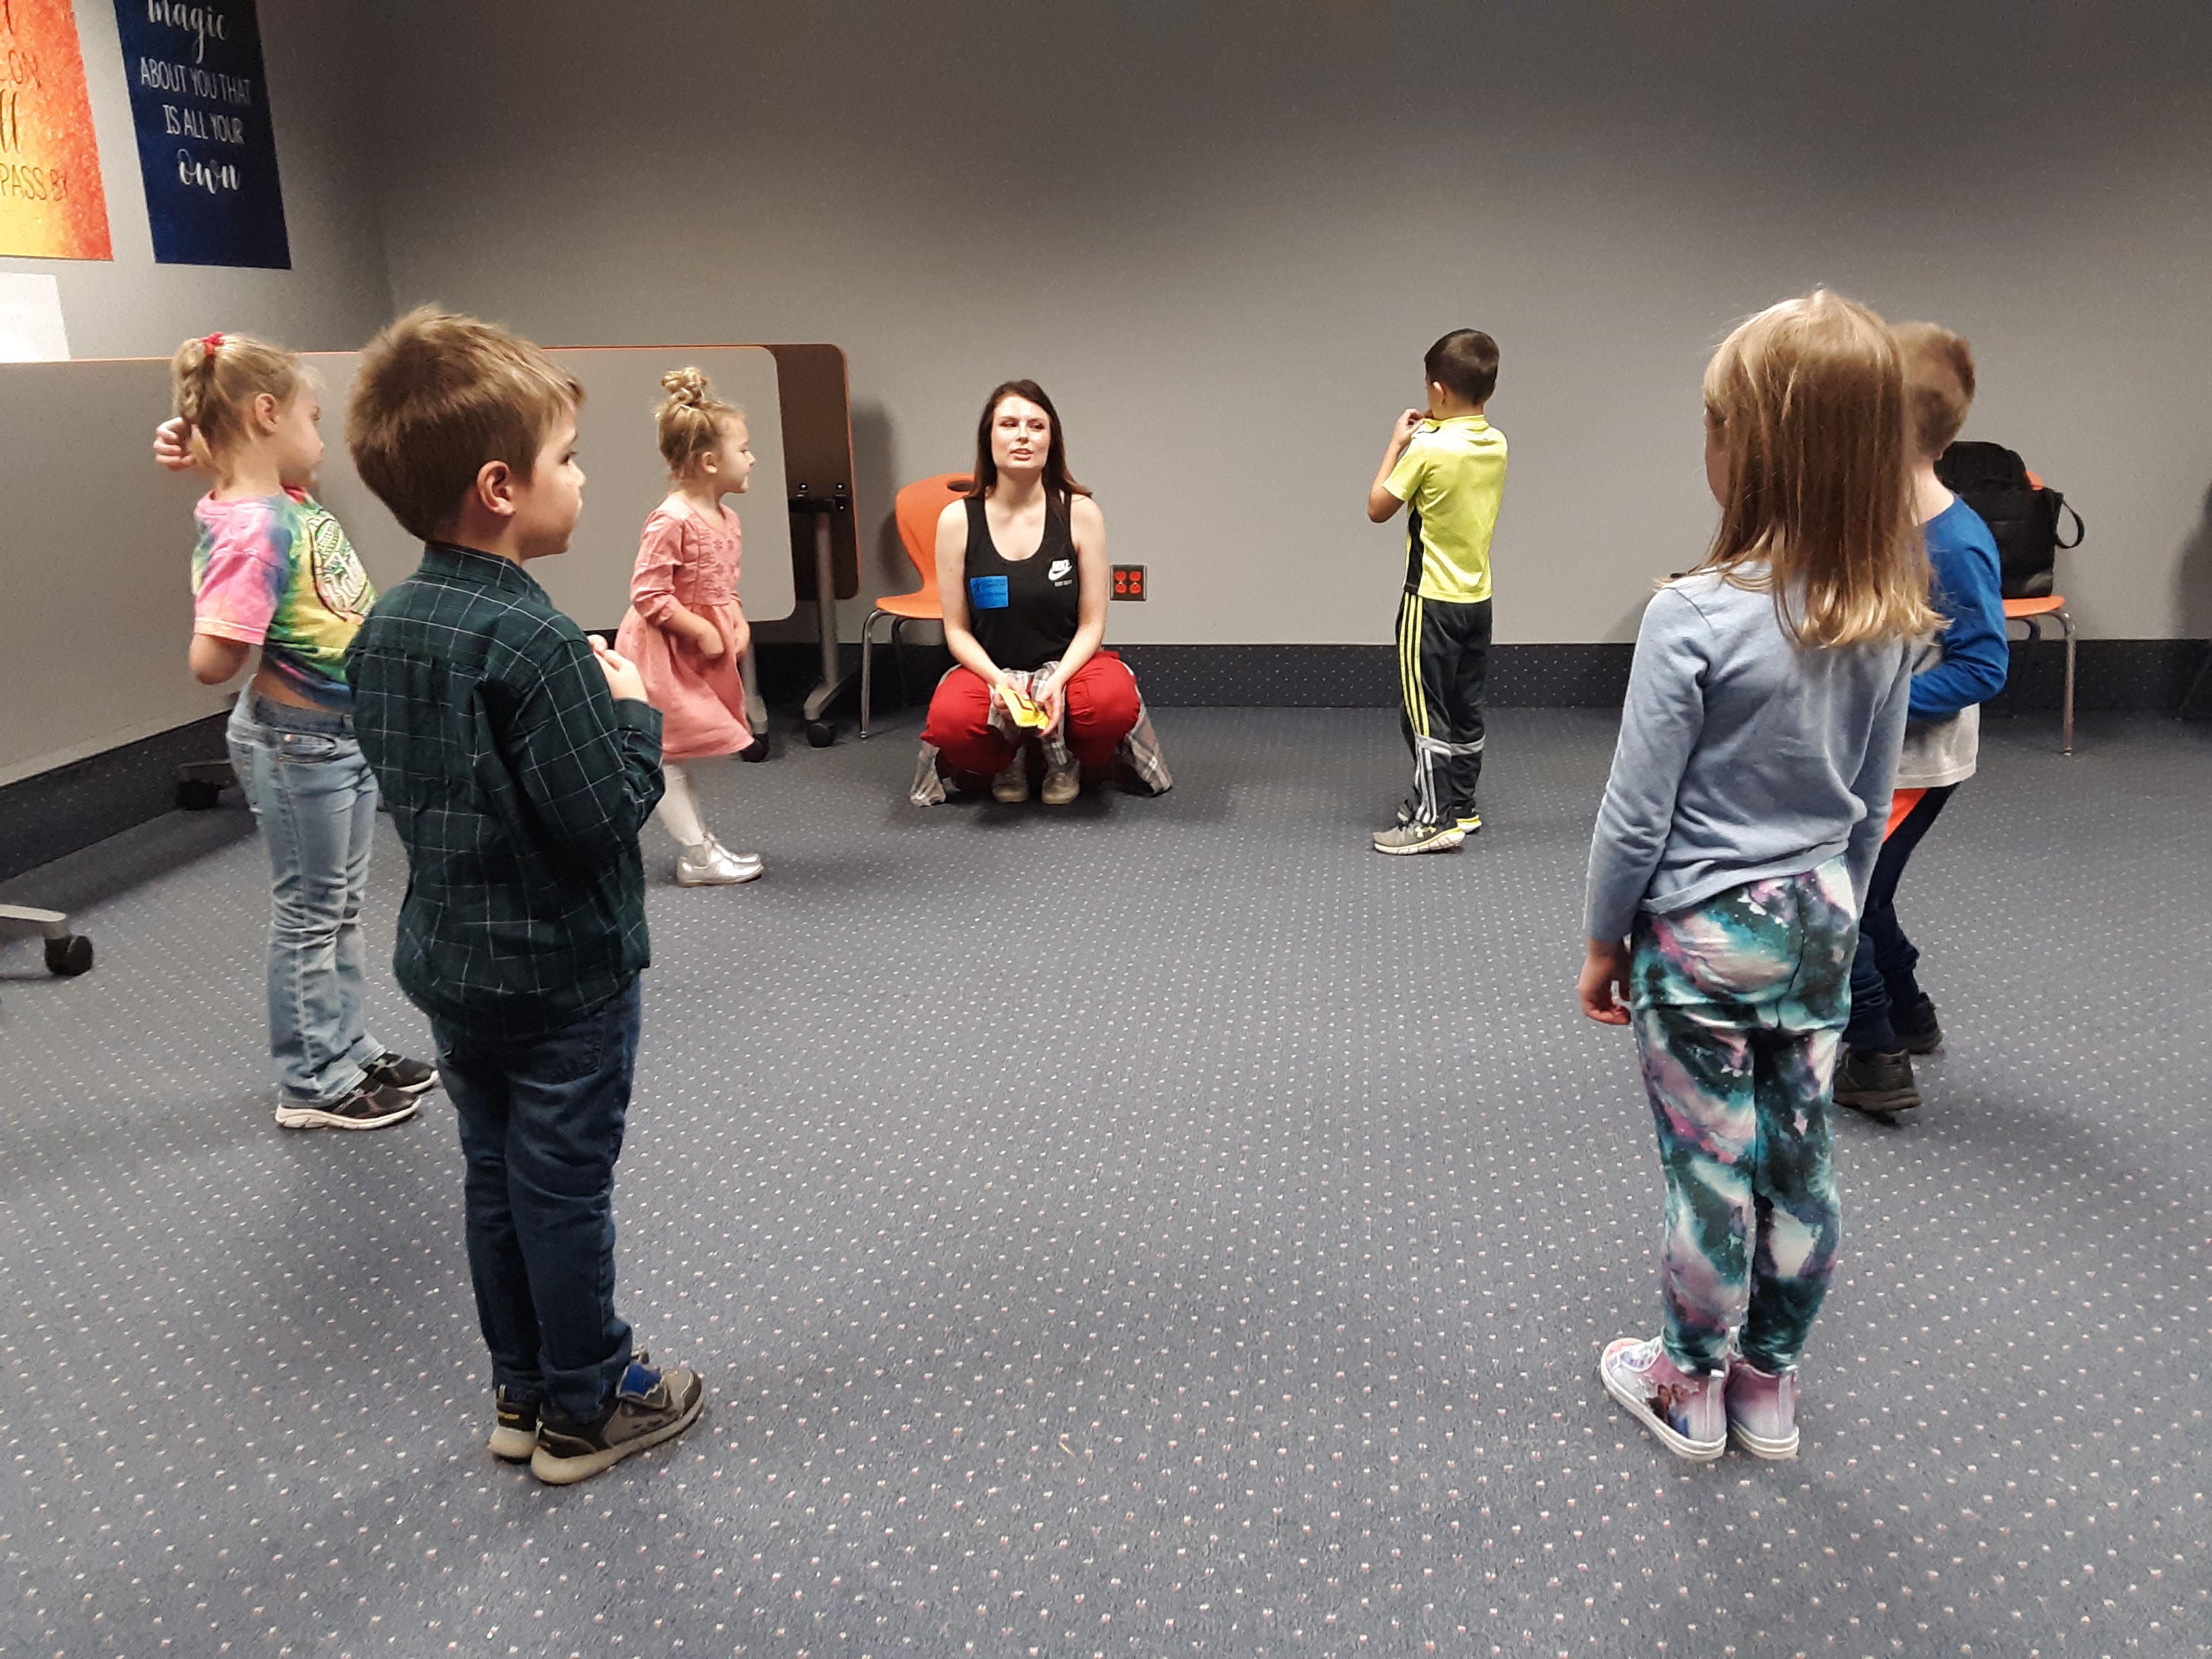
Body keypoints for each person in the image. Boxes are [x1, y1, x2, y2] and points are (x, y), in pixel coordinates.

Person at [342, 308, 705, 1486]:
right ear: (500, 486)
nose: (583, 479)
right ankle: (590, 1399)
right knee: (563, 1187)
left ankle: (521, 1389)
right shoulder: (539, 642)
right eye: (568, 459)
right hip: (564, 976)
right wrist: (629, 707)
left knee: (494, 1176)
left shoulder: (388, 623)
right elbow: (603, 812)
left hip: (453, 962)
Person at [1578, 291, 1934, 1462]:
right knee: (1798, 1160)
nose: (1703, 444)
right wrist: (1832, 919)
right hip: (1819, 926)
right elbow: (1865, 811)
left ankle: (1685, 1388)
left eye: (1711, 422)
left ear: (1751, 453)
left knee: (1706, 1173)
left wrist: (1599, 939)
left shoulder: (1687, 615)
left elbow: (1635, 815)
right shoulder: (1887, 617)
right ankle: (1764, 1387)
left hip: (1699, 935)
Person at [164, 332, 437, 1131]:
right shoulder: (255, 529)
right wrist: (226, 626)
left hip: (334, 737)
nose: (324, 441)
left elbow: (230, 473)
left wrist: (195, 448)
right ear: (266, 413)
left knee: (341, 905)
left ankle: (345, 1047)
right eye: (314, 420)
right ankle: (312, 1081)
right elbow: (213, 661)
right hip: (298, 743)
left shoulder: (275, 497)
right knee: (312, 912)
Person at [1830, 324, 2009, 1120]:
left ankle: (1875, 1054)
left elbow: (1983, 668)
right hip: (1864, 756)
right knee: (1871, 895)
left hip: (1915, 763)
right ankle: (1909, 1010)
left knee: (1842, 899)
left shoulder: (1956, 542)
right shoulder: (1873, 517)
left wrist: (1881, 705)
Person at [914, 380, 1170, 806]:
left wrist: (1059, 682)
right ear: (989, 436)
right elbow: (956, 631)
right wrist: (1001, 684)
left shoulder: (1080, 513)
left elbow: (1092, 624)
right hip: (991, 671)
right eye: (1009, 424)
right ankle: (1007, 760)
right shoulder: (957, 520)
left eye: (1036, 426)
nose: (1022, 436)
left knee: (1112, 702)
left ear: (1052, 440)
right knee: (951, 720)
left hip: (1070, 667)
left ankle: (1070, 760)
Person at [613, 367, 764, 886]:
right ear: (709, 461)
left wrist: (735, 619)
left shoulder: (726, 517)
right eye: (743, 449)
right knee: (665, 752)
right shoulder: (671, 519)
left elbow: (724, 581)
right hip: (664, 651)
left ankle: (700, 846)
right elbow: (649, 592)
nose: (751, 459)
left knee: (678, 752)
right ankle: (697, 855)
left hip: (699, 647)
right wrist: (699, 631)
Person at [1365, 329, 1507, 854]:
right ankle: (1461, 804)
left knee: (1423, 711)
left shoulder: (1427, 449)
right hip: (1477, 601)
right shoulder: (1497, 443)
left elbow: (1379, 506)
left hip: (1430, 603)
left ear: (1439, 390)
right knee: (1465, 705)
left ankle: (1432, 817)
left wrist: (1397, 443)